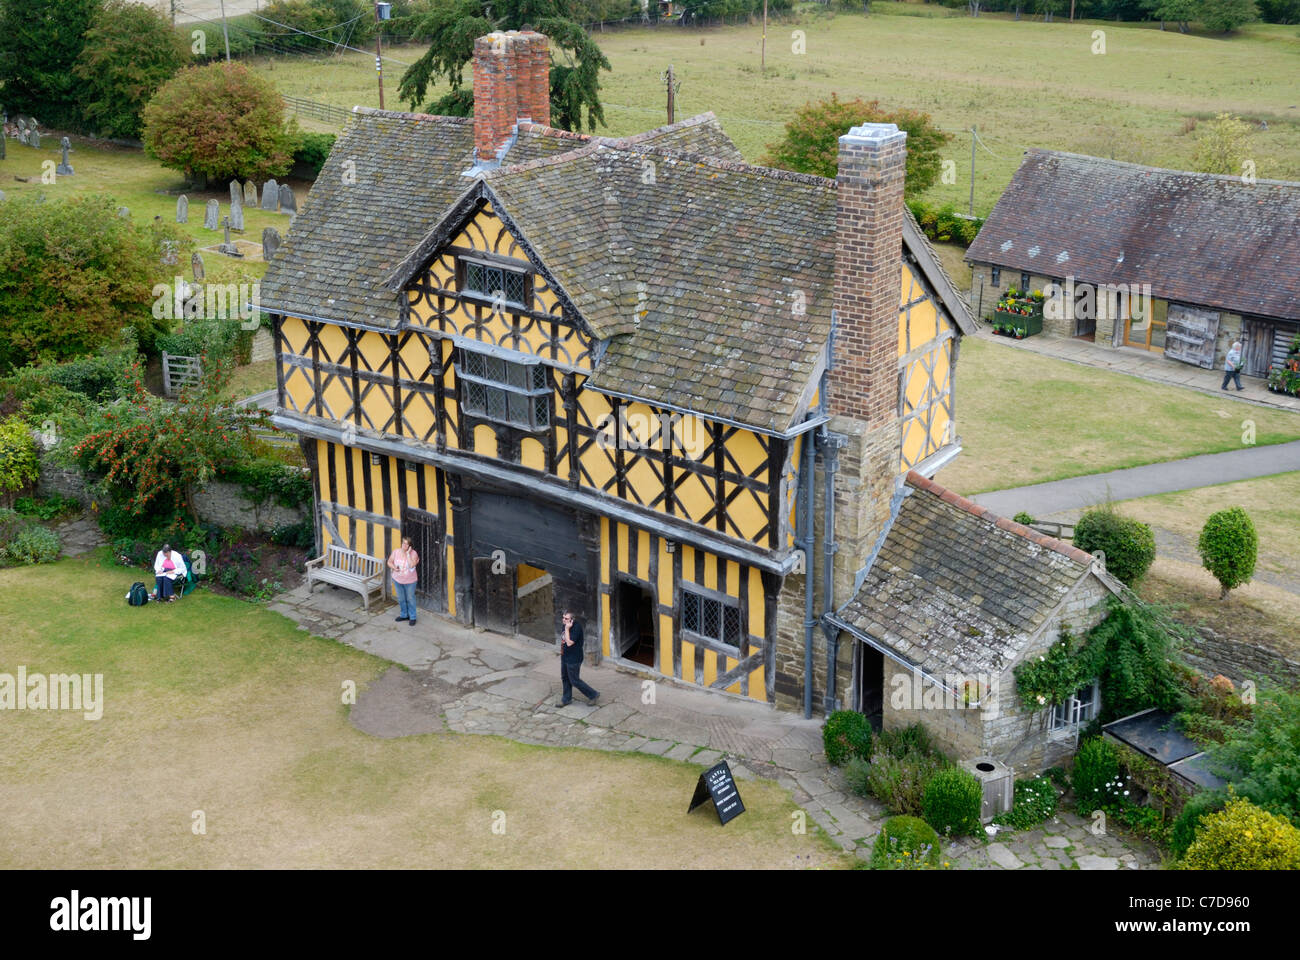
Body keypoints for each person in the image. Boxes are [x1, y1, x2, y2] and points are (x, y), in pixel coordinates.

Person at [557, 609, 599, 707]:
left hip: (574, 658)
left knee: (574, 680)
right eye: (563, 617)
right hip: (565, 656)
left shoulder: (576, 628)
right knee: (565, 678)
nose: (563, 620)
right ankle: (566, 699)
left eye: (566, 618)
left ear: (572, 620)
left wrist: (567, 629)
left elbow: (569, 642)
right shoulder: (565, 625)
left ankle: (593, 694)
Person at [388, 537, 419, 626]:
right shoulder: (396, 551)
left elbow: (412, 565)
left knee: (410, 599)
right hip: (397, 580)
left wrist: (408, 554)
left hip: (410, 582)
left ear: (410, 546)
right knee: (401, 599)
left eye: (406, 544)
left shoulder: (414, 554)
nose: (404, 545)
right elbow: (389, 562)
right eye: (403, 543)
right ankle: (404, 615)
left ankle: (412, 617)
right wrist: (394, 568)